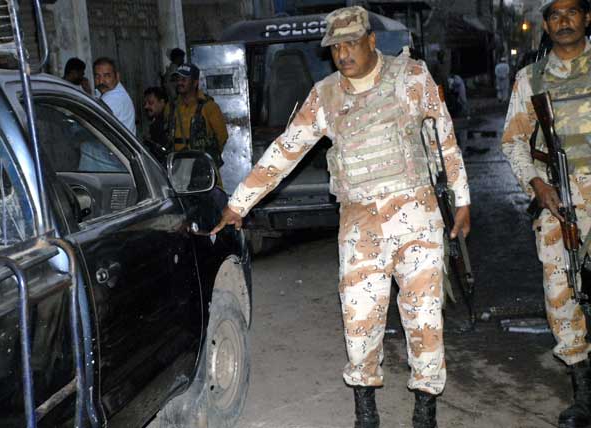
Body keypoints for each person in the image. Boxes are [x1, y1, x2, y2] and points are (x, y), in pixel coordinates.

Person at [211, 6, 471, 428]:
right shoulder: (326, 95)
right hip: (360, 222)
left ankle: (425, 409)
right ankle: (365, 410)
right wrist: (239, 203)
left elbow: (445, 138)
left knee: (424, 317)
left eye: (352, 43)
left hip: (417, 217)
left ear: (372, 41)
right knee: (359, 319)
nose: (344, 54)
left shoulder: (412, 77)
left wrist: (461, 200)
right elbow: (284, 151)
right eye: (336, 48)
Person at [501, 1, 591, 427]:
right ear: (547, 24)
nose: (564, 21)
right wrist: (539, 186)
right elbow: (513, 142)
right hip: (559, 202)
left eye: (572, 11)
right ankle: (584, 396)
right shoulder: (530, 78)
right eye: (555, 14)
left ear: (587, 18)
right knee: (561, 294)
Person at [163, 63, 228, 168]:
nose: (179, 82)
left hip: (202, 167)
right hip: (177, 167)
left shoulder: (209, 107)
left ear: (195, 82)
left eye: (184, 79)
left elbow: (222, 136)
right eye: (178, 79)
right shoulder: (171, 107)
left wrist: (209, 156)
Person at [93, 57, 136, 135]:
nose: (101, 81)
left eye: (107, 76)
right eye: (97, 76)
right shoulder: (110, 90)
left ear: (117, 77)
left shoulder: (113, 98)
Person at [143, 86, 170, 163]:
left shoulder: (166, 123)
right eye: (145, 103)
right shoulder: (154, 122)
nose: (146, 106)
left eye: (151, 103)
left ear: (162, 102)